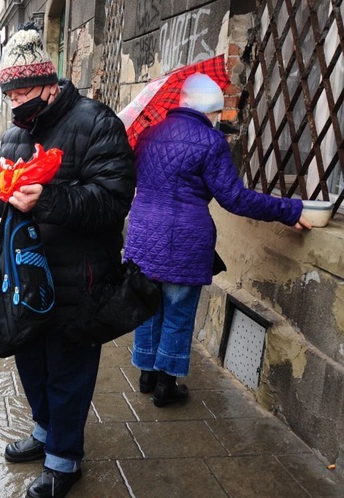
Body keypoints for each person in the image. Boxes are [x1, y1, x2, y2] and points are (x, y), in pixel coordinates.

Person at [0, 24, 135, 498]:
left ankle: (64, 459)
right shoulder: (17, 132)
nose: (16, 103)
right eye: (9, 94)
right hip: (26, 278)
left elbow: (112, 201)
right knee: (31, 361)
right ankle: (43, 432)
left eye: (24, 91)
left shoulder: (96, 122)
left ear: (50, 83)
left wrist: (48, 200)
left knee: (67, 370)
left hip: (79, 278)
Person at [124, 73, 311, 407]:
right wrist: (288, 208)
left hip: (142, 237)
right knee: (179, 311)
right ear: (210, 110)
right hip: (186, 241)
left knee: (147, 305)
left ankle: (146, 375)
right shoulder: (211, 143)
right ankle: (167, 384)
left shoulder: (148, 134)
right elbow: (235, 199)